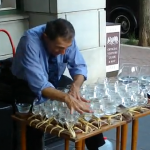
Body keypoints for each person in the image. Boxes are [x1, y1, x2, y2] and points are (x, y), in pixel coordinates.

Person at [11, 18, 105, 150]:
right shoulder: (29, 41)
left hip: (54, 78)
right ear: (45, 37)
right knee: (34, 117)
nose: (63, 53)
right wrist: (66, 97)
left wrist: (76, 86)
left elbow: (79, 67)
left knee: (81, 102)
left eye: (66, 48)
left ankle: (98, 147)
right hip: (27, 82)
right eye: (59, 48)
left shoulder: (66, 39)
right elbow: (39, 84)